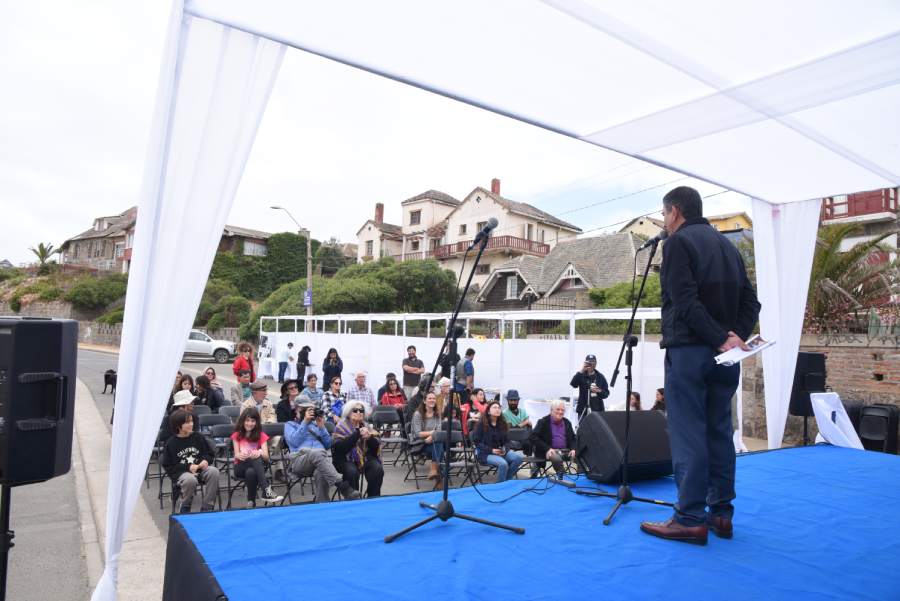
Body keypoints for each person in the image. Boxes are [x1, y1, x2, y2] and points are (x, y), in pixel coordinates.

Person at [639, 185, 761, 546]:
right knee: (719, 430)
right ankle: (721, 514)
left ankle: (690, 517)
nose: (664, 221)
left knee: (688, 432)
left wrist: (717, 337)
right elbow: (751, 302)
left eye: (663, 215)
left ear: (674, 211)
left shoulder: (677, 243)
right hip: (726, 358)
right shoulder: (728, 246)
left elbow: (685, 302)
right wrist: (735, 336)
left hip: (692, 352)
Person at [284, 402, 361, 501]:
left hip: (319, 460)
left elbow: (328, 445)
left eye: (312, 410)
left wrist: (322, 427)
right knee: (318, 453)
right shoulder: (290, 425)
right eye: (308, 410)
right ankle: (343, 486)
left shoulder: (316, 425)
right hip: (300, 460)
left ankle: (323, 503)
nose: (311, 413)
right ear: (298, 410)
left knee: (321, 471)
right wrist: (305, 422)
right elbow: (294, 442)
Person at [160, 409, 220, 513]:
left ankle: (207, 507)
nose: (191, 424)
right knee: (190, 479)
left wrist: (205, 460)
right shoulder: (171, 443)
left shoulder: (198, 437)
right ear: (178, 425)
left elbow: (209, 454)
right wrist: (188, 467)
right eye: (187, 422)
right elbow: (169, 466)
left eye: (192, 421)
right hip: (182, 474)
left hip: (200, 470)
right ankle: (185, 506)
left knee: (214, 471)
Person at [230, 407, 282, 507]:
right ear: (243, 421)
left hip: (255, 467)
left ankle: (251, 502)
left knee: (251, 471)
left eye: (253, 421)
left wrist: (259, 452)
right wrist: (239, 455)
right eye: (247, 420)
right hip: (240, 466)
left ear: (256, 422)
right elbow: (236, 454)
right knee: (255, 459)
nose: (249, 423)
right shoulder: (237, 435)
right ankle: (266, 490)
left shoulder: (261, 435)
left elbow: (266, 457)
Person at [332, 400, 384, 498]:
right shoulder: (341, 426)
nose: (359, 412)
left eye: (361, 410)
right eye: (355, 410)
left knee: (377, 469)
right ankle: (353, 500)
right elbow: (340, 449)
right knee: (352, 472)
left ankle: (373, 498)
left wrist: (369, 438)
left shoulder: (366, 426)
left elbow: (376, 447)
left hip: (364, 458)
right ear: (348, 412)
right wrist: (357, 434)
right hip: (345, 459)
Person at [472, 401, 524, 482]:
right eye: (494, 407)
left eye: (499, 408)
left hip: (500, 452)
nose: (497, 409)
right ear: (489, 411)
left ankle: (507, 480)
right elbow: (477, 442)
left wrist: (504, 450)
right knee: (503, 464)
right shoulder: (481, 424)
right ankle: (501, 485)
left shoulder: (502, 424)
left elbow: (507, 441)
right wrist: (491, 450)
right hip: (485, 453)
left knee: (519, 458)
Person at [529, 399, 576, 478]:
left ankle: (582, 478)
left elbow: (573, 438)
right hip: (550, 451)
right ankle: (564, 478)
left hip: (565, 451)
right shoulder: (543, 422)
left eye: (562, 410)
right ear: (551, 410)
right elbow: (533, 437)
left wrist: (573, 448)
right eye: (558, 409)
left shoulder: (567, 422)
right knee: (556, 458)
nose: (560, 412)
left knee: (582, 455)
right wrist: (547, 448)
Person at [409, 392, 446, 489]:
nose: (432, 400)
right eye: (430, 398)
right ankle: (438, 478)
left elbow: (439, 430)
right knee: (439, 445)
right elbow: (417, 433)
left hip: (433, 443)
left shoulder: (437, 414)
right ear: (425, 401)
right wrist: (432, 434)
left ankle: (434, 471)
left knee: (439, 444)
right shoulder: (418, 414)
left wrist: (433, 436)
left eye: (434, 398)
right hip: (420, 443)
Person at [570, 354, 609, 420]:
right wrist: (582, 370)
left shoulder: (600, 377)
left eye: (593, 362)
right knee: (583, 429)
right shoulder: (581, 375)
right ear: (585, 363)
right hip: (583, 409)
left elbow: (606, 394)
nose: (591, 364)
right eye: (589, 362)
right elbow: (573, 384)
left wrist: (599, 391)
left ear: (596, 363)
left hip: (597, 410)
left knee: (596, 429)